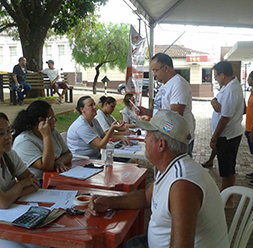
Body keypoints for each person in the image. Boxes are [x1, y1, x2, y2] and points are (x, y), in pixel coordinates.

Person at [88, 109, 229, 248]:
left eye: (148, 134)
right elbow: (146, 197)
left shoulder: (183, 185)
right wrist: (109, 202)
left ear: (161, 145)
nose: (144, 139)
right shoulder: (171, 167)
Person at [0, 112, 47, 248]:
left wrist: (10, 196)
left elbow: (32, 182)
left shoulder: (9, 155)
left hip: (12, 216)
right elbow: (3, 203)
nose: (8, 137)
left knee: (40, 244)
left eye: (9, 131)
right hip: (5, 222)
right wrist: (20, 186)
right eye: (1, 133)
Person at [135, 53, 196, 156]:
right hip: (165, 137)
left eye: (155, 70)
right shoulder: (165, 85)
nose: (154, 74)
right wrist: (147, 112)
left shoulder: (178, 84)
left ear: (166, 68)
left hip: (176, 140)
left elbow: (174, 117)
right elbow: (163, 110)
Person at [12, 100, 71, 184]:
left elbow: (68, 154)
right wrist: (46, 136)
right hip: (38, 183)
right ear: (41, 120)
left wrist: (59, 162)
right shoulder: (24, 141)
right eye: (52, 118)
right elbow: (47, 166)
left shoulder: (53, 132)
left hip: (57, 178)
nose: (56, 120)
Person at [210, 61, 244, 207]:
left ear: (223, 75)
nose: (216, 79)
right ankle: (225, 194)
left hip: (228, 135)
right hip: (229, 134)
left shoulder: (231, 90)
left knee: (227, 169)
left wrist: (214, 137)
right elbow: (218, 99)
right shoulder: (228, 87)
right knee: (226, 167)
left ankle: (227, 199)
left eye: (216, 76)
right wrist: (214, 100)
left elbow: (225, 118)